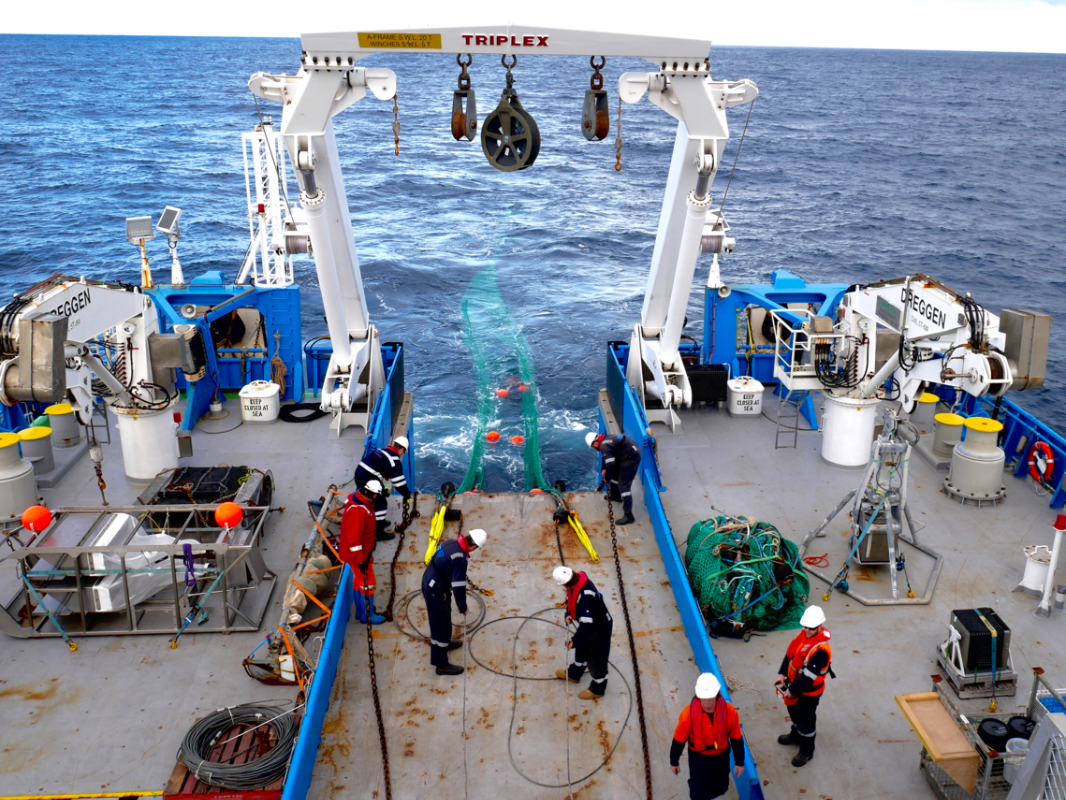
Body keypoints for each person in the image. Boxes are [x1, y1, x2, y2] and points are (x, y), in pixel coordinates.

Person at [422, 528, 487, 676]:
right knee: (441, 626)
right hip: (436, 591)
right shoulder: (460, 558)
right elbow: (458, 587)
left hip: (430, 581)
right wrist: (463, 607)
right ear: (475, 546)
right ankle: (441, 665)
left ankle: (445, 645)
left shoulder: (451, 542)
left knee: (443, 621)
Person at [670, 673, 745, 800]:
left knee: (720, 786)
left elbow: (736, 738)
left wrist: (740, 762)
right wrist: (674, 761)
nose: (707, 700)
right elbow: (678, 740)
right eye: (704, 697)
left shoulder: (729, 712)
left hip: (721, 757)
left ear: (717, 694)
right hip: (698, 759)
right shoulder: (688, 715)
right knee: (698, 790)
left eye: (710, 696)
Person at [775, 605, 833, 767]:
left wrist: (791, 691)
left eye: (811, 627)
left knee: (806, 719)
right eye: (805, 626)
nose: (807, 629)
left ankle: (807, 751)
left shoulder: (820, 651)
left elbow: (808, 677)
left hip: (809, 693)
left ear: (819, 626)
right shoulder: (803, 638)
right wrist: (782, 674)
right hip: (794, 686)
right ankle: (796, 735)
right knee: (793, 713)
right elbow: (790, 656)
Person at [553, 566, 613, 699]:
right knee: (582, 649)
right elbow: (571, 599)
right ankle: (574, 674)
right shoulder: (578, 582)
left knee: (596, 660)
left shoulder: (586, 596)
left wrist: (574, 641)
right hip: (590, 624)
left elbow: (587, 625)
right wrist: (568, 614)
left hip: (599, 627)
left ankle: (598, 689)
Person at [340, 479, 385, 625]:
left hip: (361, 553)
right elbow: (354, 541)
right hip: (358, 556)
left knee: (359, 582)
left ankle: (361, 612)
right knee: (368, 583)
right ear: (372, 495)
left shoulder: (363, 503)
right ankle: (368, 615)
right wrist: (361, 561)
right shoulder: (358, 511)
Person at [354, 436, 412, 541]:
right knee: (380, 503)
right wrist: (406, 494)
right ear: (402, 449)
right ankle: (378, 533)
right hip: (367, 479)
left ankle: (378, 522)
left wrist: (382, 488)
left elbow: (376, 471)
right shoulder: (394, 460)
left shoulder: (382, 451)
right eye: (404, 452)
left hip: (360, 475)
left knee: (375, 499)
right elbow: (398, 482)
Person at [586, 431, 640, 525]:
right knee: (615, 476)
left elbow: (610, 465)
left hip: (631, 457)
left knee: (624, 486)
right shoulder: (604, 440)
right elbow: (605, 458)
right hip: (625, 455)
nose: (594, 448)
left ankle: (628, 516)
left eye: (593, 447)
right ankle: (616, 496)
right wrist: (604, 468)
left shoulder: (604, 445)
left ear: (594, 443)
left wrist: (606, 477)